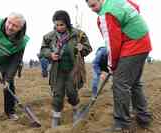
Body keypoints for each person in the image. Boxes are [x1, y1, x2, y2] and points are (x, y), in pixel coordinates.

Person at [85, 0, 152, 132]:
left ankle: (121, 125)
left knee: (120, 84)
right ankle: (143, 116)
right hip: (143, 40)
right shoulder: (117, 1)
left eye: (94, 5)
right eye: (90, 6)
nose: (92, 9)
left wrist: (111, 64)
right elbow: (136, 8)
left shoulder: (106, 14)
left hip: (133, 45)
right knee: (133, 82)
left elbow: (112, 43)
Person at [40, 10, 92, 127]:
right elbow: (43, 50)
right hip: (57, 70)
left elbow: (88, 48)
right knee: (57, 94)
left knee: (72, 92)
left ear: (67, 23)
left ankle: (76, 111)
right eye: (57, 24)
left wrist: (82, 47)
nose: (59, 27)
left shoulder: (79, 35)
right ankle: (56, 117)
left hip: (74, 69)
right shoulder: (49, 36)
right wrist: (50, 54)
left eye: (62, 24)